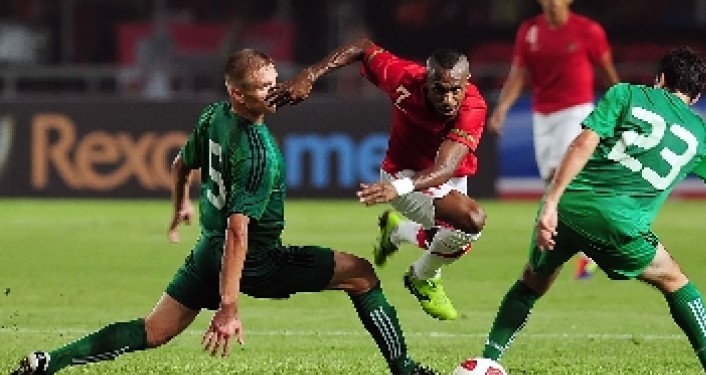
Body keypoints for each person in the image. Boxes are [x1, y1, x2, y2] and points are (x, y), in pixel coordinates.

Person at [10, 49, 436, 375]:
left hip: (208, 251)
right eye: (264, 87)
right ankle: (407, 370)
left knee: (154, 330)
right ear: (238, 93)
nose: (276, 91)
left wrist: (180, 203)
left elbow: (181, 163)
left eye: (275, 81)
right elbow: (239, 231)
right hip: (254, 262)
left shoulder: (214, 115)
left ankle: (51, 361)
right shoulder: (256, 152)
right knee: (360, 273)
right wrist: (228, 306)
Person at [479, 47, 706, 375]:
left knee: (532, 282)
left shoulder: (624, 94)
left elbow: (582, 144)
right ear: (695, 98)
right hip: (621, 226)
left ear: (660, 79)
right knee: (676, 281)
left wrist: (550, 202)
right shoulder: (701, 135)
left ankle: (488, 361)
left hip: (568, 209)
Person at [281, 38, 488, 321]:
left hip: (435, 178)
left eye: (456, 90)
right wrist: (310, 74)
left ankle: (398, 232)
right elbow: (362, 47)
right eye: (439, 90)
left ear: (467, 82)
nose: (448, 99)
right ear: (426, 81)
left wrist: (398, 189)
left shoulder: (473, 108)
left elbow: (447, 167)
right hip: (401, 174)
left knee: (452, 238)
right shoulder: (403, 77)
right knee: (471, 220)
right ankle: (422, 277)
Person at [487, 0, 620, 280]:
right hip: (542, 115)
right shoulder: (530, 30)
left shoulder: (588, 30)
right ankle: (575, 243)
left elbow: (607, 70)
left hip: (576, 111)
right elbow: (519, 74)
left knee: (565, 181)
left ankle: (584, 253)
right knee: (551, 180)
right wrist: (502, 108)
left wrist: (622, 106)